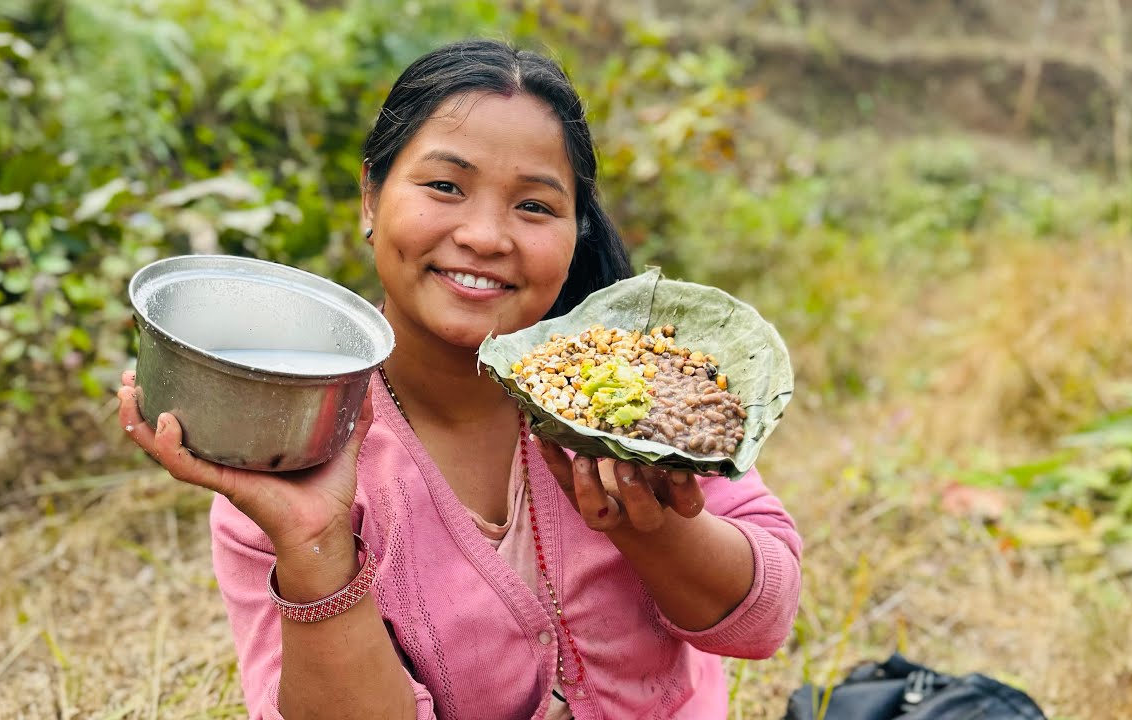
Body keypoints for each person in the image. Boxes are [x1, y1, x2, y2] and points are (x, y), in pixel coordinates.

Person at [116, 39, 801, 720]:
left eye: (534, 206)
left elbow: (762, 622)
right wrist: (314, 547)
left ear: (573, 232)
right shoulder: (291, 445)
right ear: (370, 199)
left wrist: (650, 526)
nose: (485, 236)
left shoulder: (635, 387)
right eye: (445, 187)